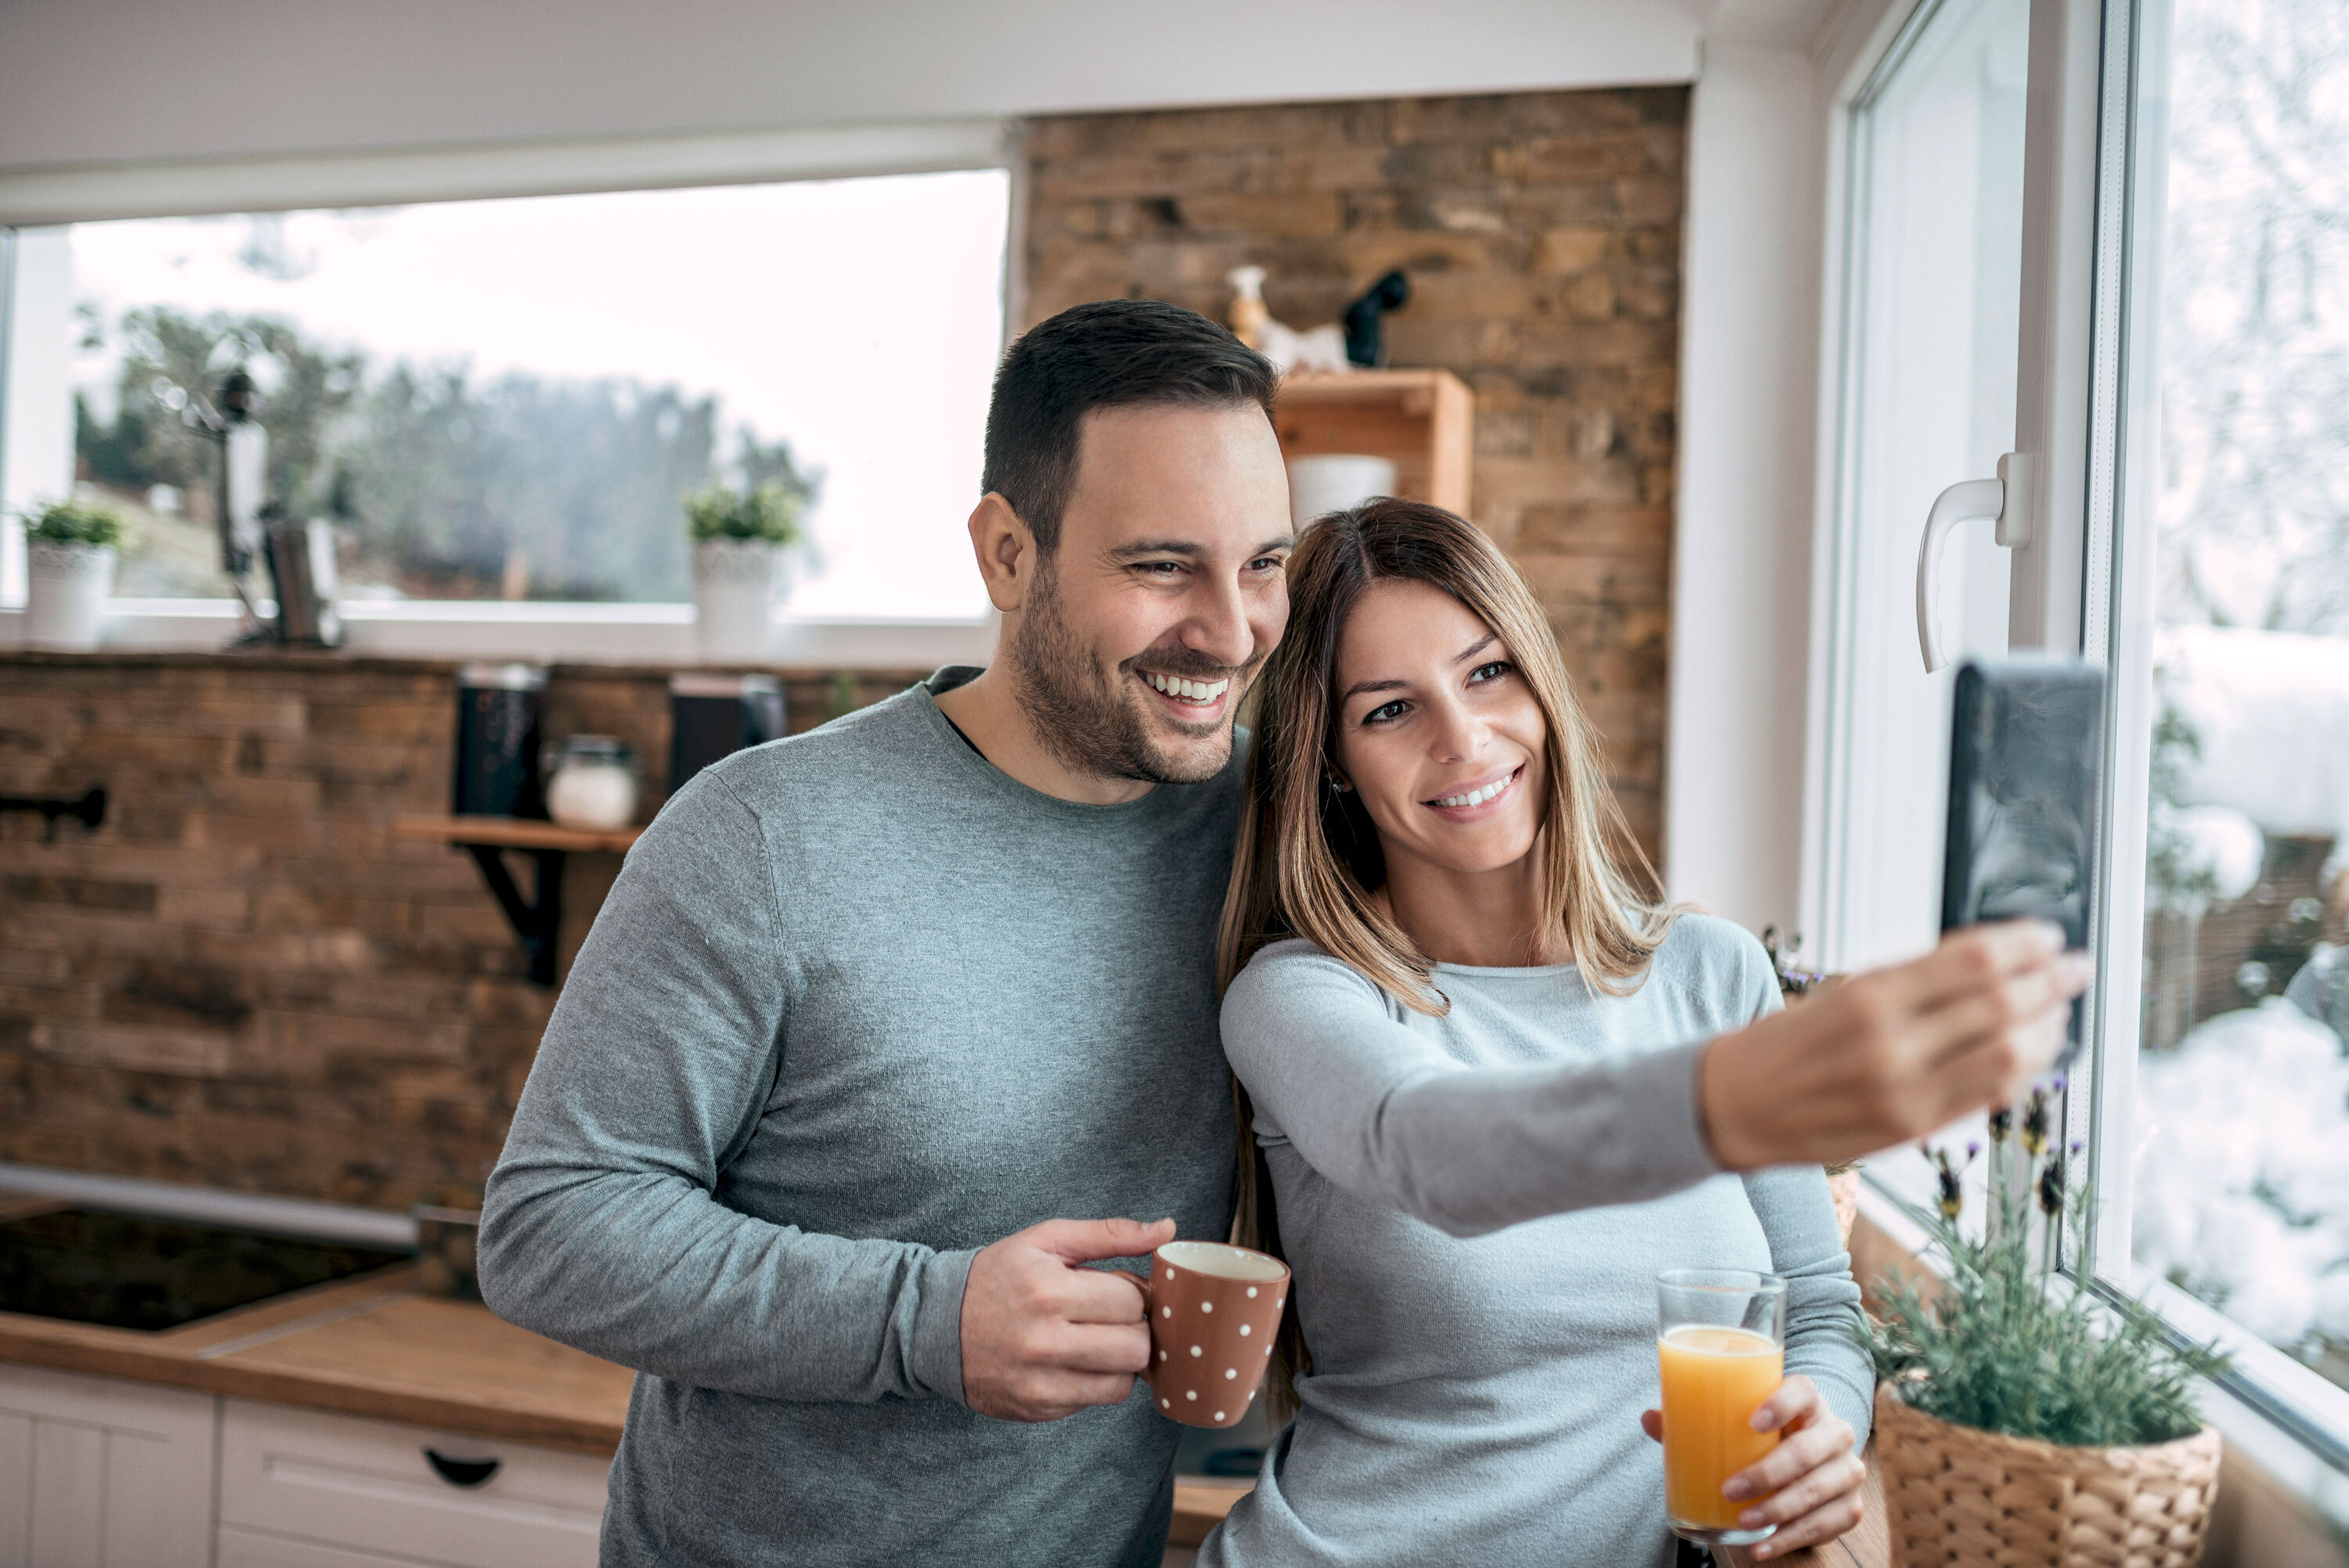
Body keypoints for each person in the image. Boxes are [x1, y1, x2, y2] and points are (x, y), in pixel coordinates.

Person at [476, 298, 1298, 1566]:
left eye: (1263, 564)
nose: (1231, 631)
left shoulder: (1272, 833)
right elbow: (552, 1228)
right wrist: (931, 1318)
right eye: (1160, 566)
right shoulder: (765, 833)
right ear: (1008, 554)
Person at [1201, 499, 2090, 1568]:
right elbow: (1430, 1146)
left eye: (1488, 673)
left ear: (1542, 680)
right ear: (1334, 760)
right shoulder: (1304, 997)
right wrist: (1736, 1095)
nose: (1463, 737)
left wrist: (1820, 1429)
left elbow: (1818, 1304)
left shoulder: (1711, 971)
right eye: (1390, 710)